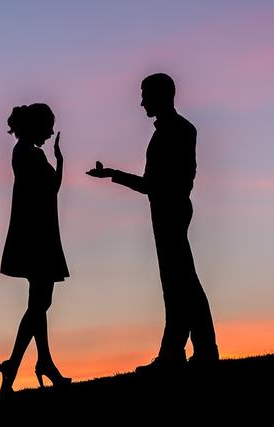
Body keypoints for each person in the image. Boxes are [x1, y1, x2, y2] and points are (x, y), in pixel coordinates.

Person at [87, 73, 219, 372]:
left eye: (146, 94)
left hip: (171, 211)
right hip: (167, 210)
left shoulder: (179, 130)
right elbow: (155, 183)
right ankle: (190, 351)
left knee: (180, 284)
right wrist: (113, 174)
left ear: (161, 95)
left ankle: (184, 352)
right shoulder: (173, 130)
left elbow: (168, 180)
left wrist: (116, 176)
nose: (142, 101)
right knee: (181, 284)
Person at [0, 103, 72, 394]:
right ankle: (25, 364)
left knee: (39, 304)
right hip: (39, 235)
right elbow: (53, 189)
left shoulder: (22, 151)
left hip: (34, 234)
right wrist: (60, 160)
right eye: (49, 126)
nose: (51, 133)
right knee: (40, 304)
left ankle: (36, 363)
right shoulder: (30, 153)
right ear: (37, 125)